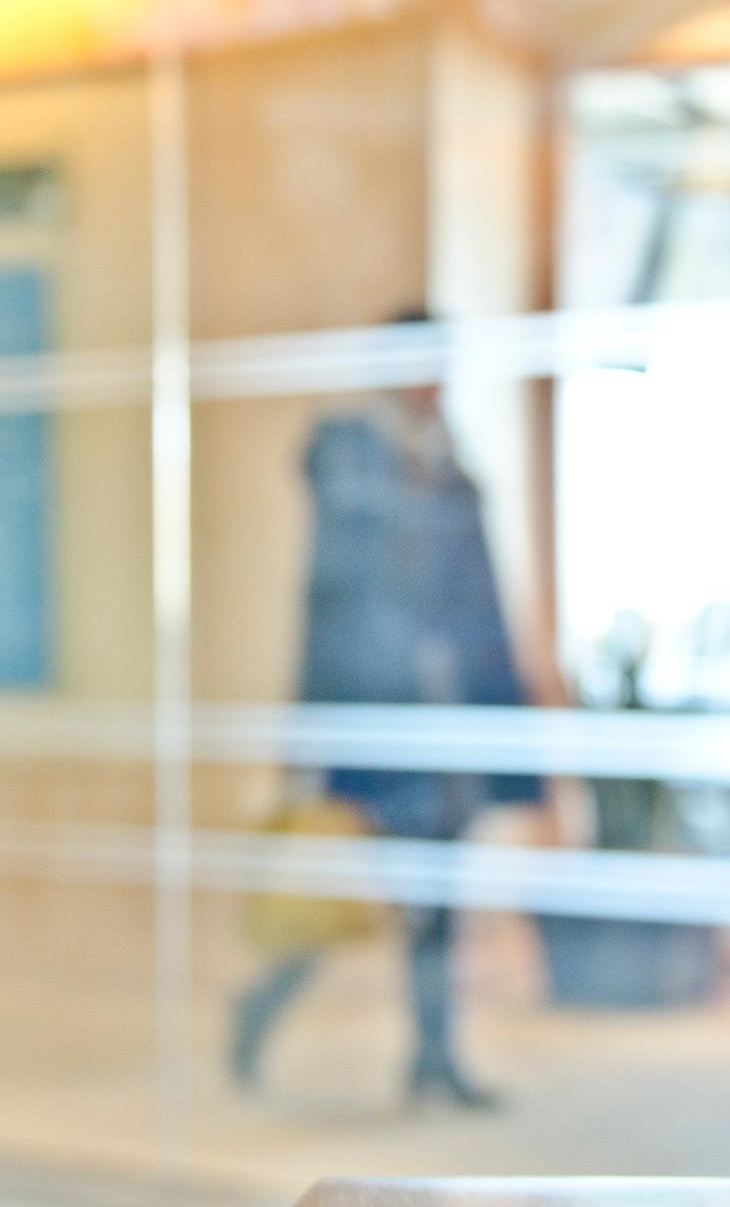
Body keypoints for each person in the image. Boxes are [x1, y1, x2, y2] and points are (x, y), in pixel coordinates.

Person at [230, 308, 536, 1109]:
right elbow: (328, 601)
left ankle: (433, 1057)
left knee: (434, 901)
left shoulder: (448, 465)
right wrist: (313, 731)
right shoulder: (354, 457)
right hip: (378, 720)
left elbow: (478, 602)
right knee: (341, 893)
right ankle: (259, 1005)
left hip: (448, 723)